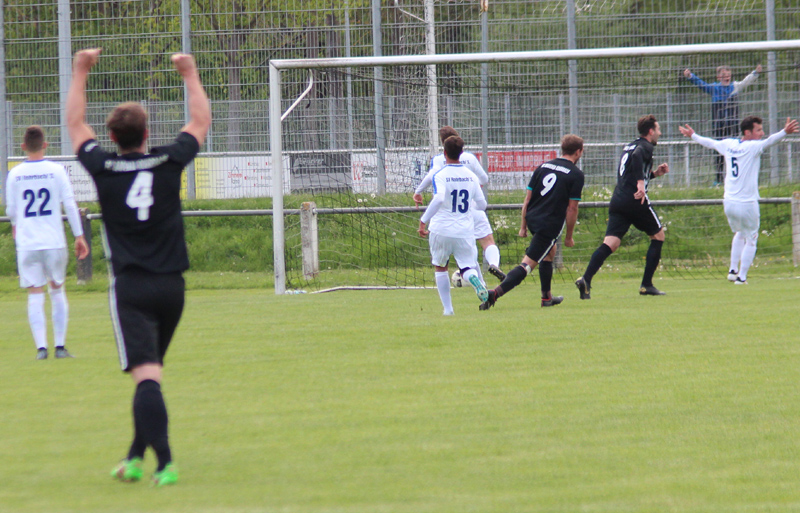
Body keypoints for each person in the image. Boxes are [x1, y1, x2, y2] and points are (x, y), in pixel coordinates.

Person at [66, 48, 211, 486]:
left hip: (131, 289)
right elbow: (200, 121)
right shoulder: (169, 161)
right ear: (148, 131)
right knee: (148, 375)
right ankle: (133, 458)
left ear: (111, 135)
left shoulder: (104, 166)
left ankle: (165, 464)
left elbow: (74, 123)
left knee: (147, 376)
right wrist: (189, 73)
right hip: (172, 289)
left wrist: (79, 71)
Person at [679, 115, 798, 284]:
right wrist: (784, 132)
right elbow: (771, 141)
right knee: (752, 238)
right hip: (747, 203)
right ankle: (741, 277)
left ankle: (732, 270)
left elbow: (710, 143)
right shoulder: (753, 147)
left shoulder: (729, 144)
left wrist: (693, 135)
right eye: (758, 130)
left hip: (729, 202)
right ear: (747, 132)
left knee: (740, 233)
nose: (762, 133)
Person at [5, 126, 89, 360]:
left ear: (23, 147)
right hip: (53, 241)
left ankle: (41, 348)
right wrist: (79, 235)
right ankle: (60, 347)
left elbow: (11, 209)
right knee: (57, 290)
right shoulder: (56, 170)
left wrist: (15, 225)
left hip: (28, 242)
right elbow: (70, 204)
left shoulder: (15, 174)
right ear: (45, 145)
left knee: (34, 293)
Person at [479, 135, 584, 311]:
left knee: (550, 253)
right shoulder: (576, 174)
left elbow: (527, 200)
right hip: (548, 225)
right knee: (527, 265)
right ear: (579, 151)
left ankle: (547, 298)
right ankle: (494, 293)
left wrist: (523, 226)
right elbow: (572, 209)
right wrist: (569, 236)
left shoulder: (543, 167)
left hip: (534, 218)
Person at [575, 115, 669, 299]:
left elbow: (631, 170)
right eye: (658, 129)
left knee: (611, 243)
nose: (659, 132)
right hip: (635, 200)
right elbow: (637, 158)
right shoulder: (645, 147)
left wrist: (654, 174)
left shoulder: (630, 145)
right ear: (650, 131)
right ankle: (646, 285)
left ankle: (586, 279)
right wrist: (641, 184)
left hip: (619, 200)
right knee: (658, 236)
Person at [414, 126, 506, 282]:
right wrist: (474, 190)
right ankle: (493, 264)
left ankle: (479, 283)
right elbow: (483, 179)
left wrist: (418, 191)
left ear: (444, 146)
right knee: (487, 241)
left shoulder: (439, 159)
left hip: (452, 214)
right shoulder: (469, 158)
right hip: (473, 208)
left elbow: (431, 176)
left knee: (464, 255)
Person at [418, 135, 489, 315]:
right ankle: (474, 278)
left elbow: (439, 198)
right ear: (461, 153)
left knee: (441, 266)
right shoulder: (471, 176)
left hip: (441, 228)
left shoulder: (440, 175)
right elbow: (482, 205)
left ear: (444, 153)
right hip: (464, 230)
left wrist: (423, 220)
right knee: (466, 267)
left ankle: (448, 310)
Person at [684, 64, 761, 185]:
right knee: (719, 152)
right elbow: (701, 84)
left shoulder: (734, 87)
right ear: (718, 77)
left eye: (728, 74)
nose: (727, 77)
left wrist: (755, 73)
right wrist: (690, 76)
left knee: (735, 151)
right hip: (719, 126)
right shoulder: (714, 88)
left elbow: (746, 81)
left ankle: (736, 177)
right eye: (724, 75)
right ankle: (719, 179)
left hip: (733, 126)